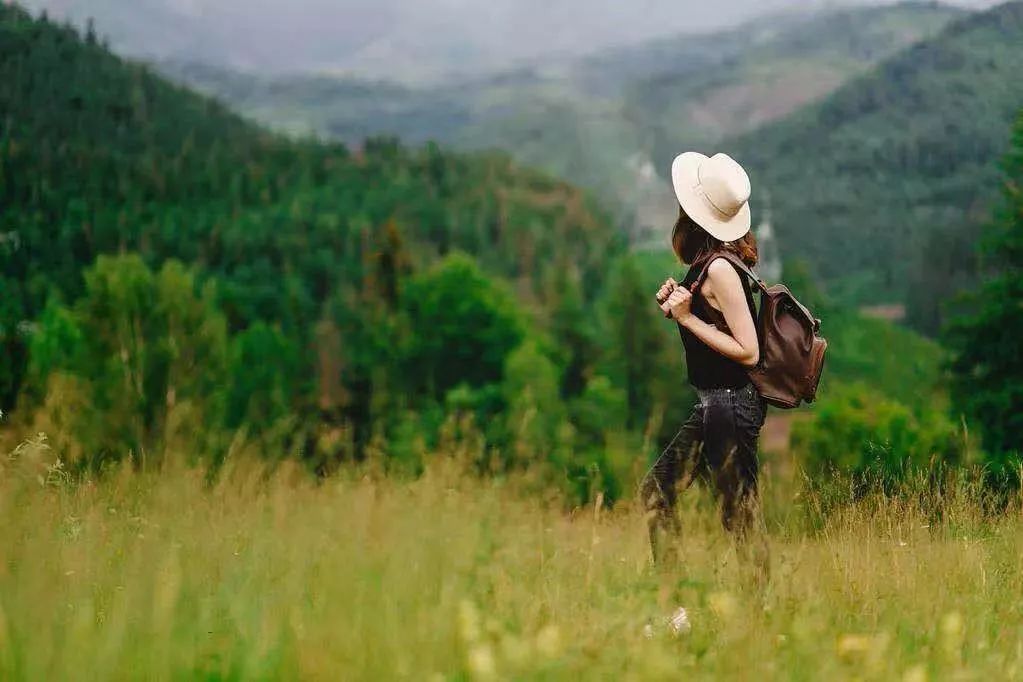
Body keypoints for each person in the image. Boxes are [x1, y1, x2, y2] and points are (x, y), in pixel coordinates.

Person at [640, 151, 769, 581]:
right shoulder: (711, 264)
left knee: (740, 517)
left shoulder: (719, 269)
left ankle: (754, 617)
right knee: (665, 493)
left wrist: (688, 317)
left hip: (730, 406)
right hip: (718, 405)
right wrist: (681, 301)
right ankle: (678, 608)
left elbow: (748, 350)